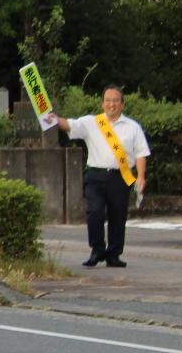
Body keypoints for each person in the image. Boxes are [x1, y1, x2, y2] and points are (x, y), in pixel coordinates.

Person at [59, 85, 150, 269]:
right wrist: (50, 118)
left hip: (120, 177)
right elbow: (68, 124)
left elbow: (141, 153)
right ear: (102, 104)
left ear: (122, 104)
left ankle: (114, 254)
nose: (112, 104)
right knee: (95, 211)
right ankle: (97, 250)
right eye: (108, 100)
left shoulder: (133, 127)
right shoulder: (91, 122)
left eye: (116, 100)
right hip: (95, 175)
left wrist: (140, 176)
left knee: (118, 216)